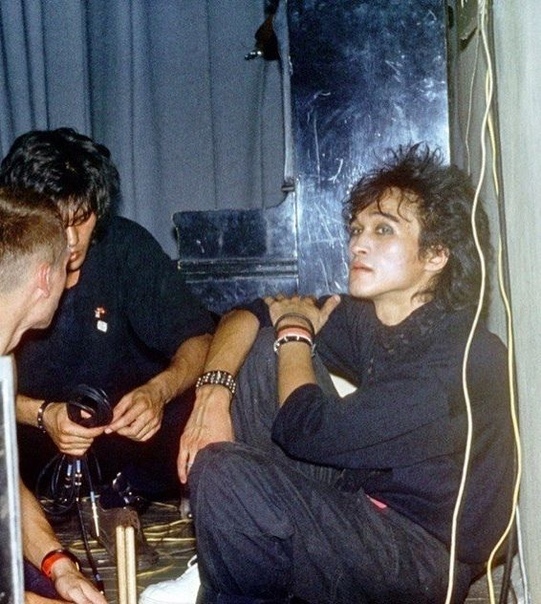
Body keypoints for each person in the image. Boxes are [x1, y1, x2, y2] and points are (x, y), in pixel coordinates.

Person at [141, 144, 515, 603]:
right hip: (363, 497)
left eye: (383, 230)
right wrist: (212, 395)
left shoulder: (459, 358)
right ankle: (230, 565)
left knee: (225, 474)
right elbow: (249, 312)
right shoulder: (376, 316)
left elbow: (306, 429)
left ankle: (228, 579)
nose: (358, 244)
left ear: (436, 254)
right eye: (357, 229)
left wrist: (295, 332)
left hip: (421, 555)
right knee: (260, 352)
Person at [0, 128, 216, 567]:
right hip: (27, 442)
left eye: (82, 219)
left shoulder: (125, 247)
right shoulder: (12, 264)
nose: (71, 240)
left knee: (202, 393)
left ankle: (123, 499)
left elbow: (200, 338)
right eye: (58, 223)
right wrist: (42, 414)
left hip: (122, 438)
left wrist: (159, 391)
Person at [0, 186, 107, 604]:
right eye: (65, 267)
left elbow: (3, 485)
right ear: (45, 277)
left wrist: (58, 564)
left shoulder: (5, 358)